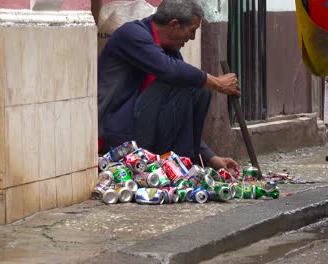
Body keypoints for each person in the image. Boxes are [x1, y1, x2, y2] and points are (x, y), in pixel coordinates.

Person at [98, 0, 240, 170]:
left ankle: (185, 162)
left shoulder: (170, 50)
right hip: (117, 131)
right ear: (174, 25)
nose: (192, 38)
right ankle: (180, 165)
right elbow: (170, 70)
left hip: (145, 127)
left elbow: (185, 115)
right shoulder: (132, 34)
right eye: (192, 30)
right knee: (184, 82)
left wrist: (210, 157)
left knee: (199, 90)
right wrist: (217, 83)